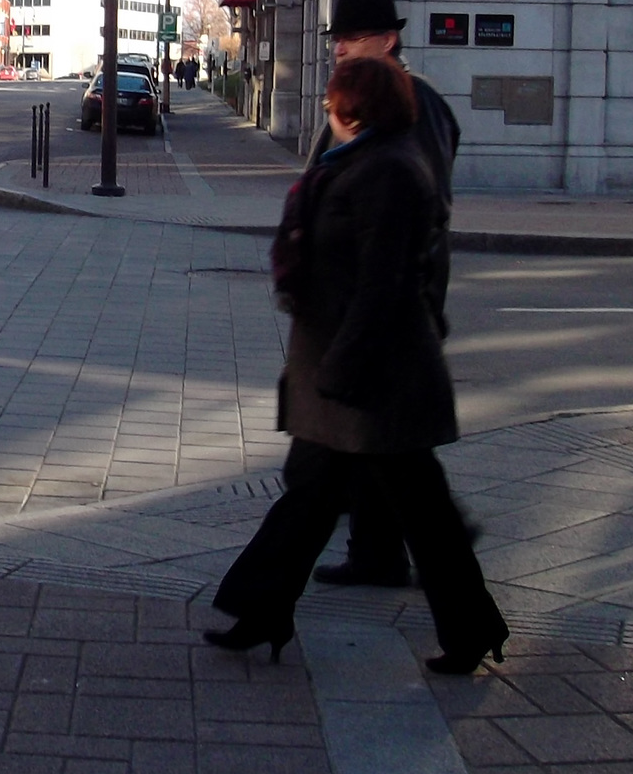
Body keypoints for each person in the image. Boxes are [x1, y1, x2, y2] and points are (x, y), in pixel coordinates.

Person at [203, 56, 508, 675]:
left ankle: (473, 629)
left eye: (334, 98)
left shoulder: (390, 171)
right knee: (312, 499)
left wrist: (342, 368)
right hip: (345, 371)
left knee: (424, 514)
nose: (325, 108)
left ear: (358, 107)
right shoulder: (358, 162)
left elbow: (385, 283)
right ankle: (263, 610)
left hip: (377, 377)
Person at [309, 0, 461, 589]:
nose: (340, 46)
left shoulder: (410, 104)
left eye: (353, 37)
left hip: (389, 301)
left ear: (388, 41)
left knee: (385, 442)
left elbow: (418, 212)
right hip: (358, 303)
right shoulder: (359, 98)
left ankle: (442, 562)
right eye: (337, 39)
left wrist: (413, 302)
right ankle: (379, 552)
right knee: (378, 440)